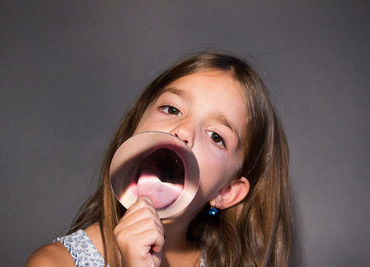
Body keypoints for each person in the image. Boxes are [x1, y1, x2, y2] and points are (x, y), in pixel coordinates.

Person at [27, 52, 291, 267]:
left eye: (215, 136)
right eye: (172, 109)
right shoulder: (53, 263)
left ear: (227, 191)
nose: (184, 130)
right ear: (135, 128)